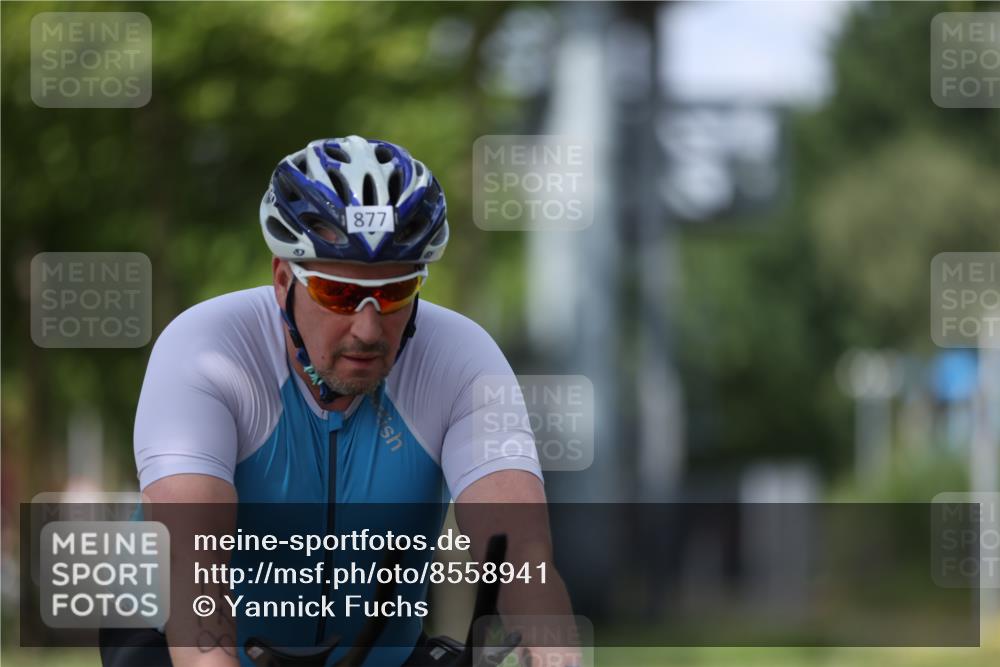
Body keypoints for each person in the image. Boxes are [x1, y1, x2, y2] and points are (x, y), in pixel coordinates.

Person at [127, 136, 575, 667]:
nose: (367, 327)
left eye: (394, 294)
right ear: (282, 280)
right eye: (338, 295)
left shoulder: (462, 358)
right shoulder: (205, 351)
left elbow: (521, 557)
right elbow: (192, 569)